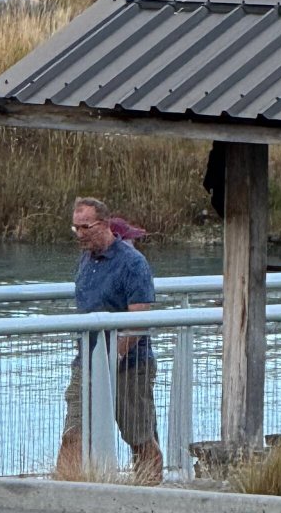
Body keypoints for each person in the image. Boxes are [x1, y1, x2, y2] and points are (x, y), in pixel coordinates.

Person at [55, 197, 162, 483]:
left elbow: (138, 320)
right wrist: (94, 362)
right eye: (74, 227)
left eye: (85, 227)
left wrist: (113, 358)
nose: (79, 234)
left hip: (129, 364)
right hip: (86, 362)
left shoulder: (133, 264)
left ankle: (152, 492)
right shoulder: (85, 260)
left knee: (138, 435)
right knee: (73, 433)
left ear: (104, 225)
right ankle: (63, 492)